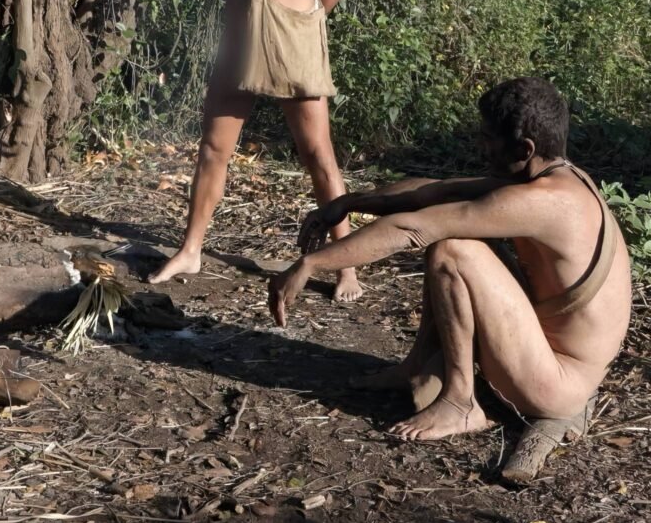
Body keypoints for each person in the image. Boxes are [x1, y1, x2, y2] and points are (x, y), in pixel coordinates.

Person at [269, 77, 632, 440]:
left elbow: (414, 229)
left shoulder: (542, 201)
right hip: (554, 356)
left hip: (556, 383)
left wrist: (311, 264)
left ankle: (460, 403)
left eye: (488, 139)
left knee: (453, 249)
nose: (481, 147)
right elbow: (438, 191)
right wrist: (350, 202)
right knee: (459, 234)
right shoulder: (553, 177)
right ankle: (416, 369)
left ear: (524, 148)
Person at [150, 0, 362, 303]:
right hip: (241, 39)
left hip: (296, 41)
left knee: (319, 156)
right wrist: (249, 22)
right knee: (212, 149)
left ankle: (347, 266)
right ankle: (191, 249)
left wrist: (304, 24)